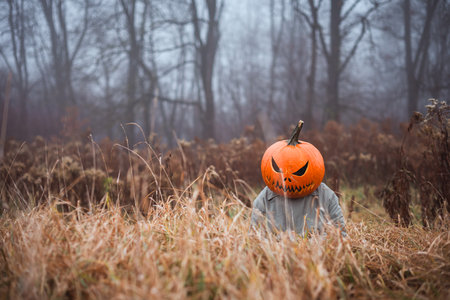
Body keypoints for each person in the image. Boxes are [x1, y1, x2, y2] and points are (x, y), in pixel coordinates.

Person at [250, 120, 346, 237]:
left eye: (299, 172)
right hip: (278, 254)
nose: (287, 179)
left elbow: (340, 235)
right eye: (279, 170)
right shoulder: (265, 198)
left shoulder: (326, 196)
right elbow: (255, 237)